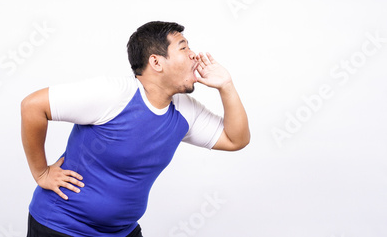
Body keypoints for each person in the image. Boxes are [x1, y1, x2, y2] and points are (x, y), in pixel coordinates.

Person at [21, 21, 250, 237]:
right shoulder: (113, 95)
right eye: (184, 47)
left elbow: (235, 139)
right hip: (61, 226)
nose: (194, 54)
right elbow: (32, 106)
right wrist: (41, 172)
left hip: (122, 231)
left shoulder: (185, 111)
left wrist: (226, 86)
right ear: (156, 62)